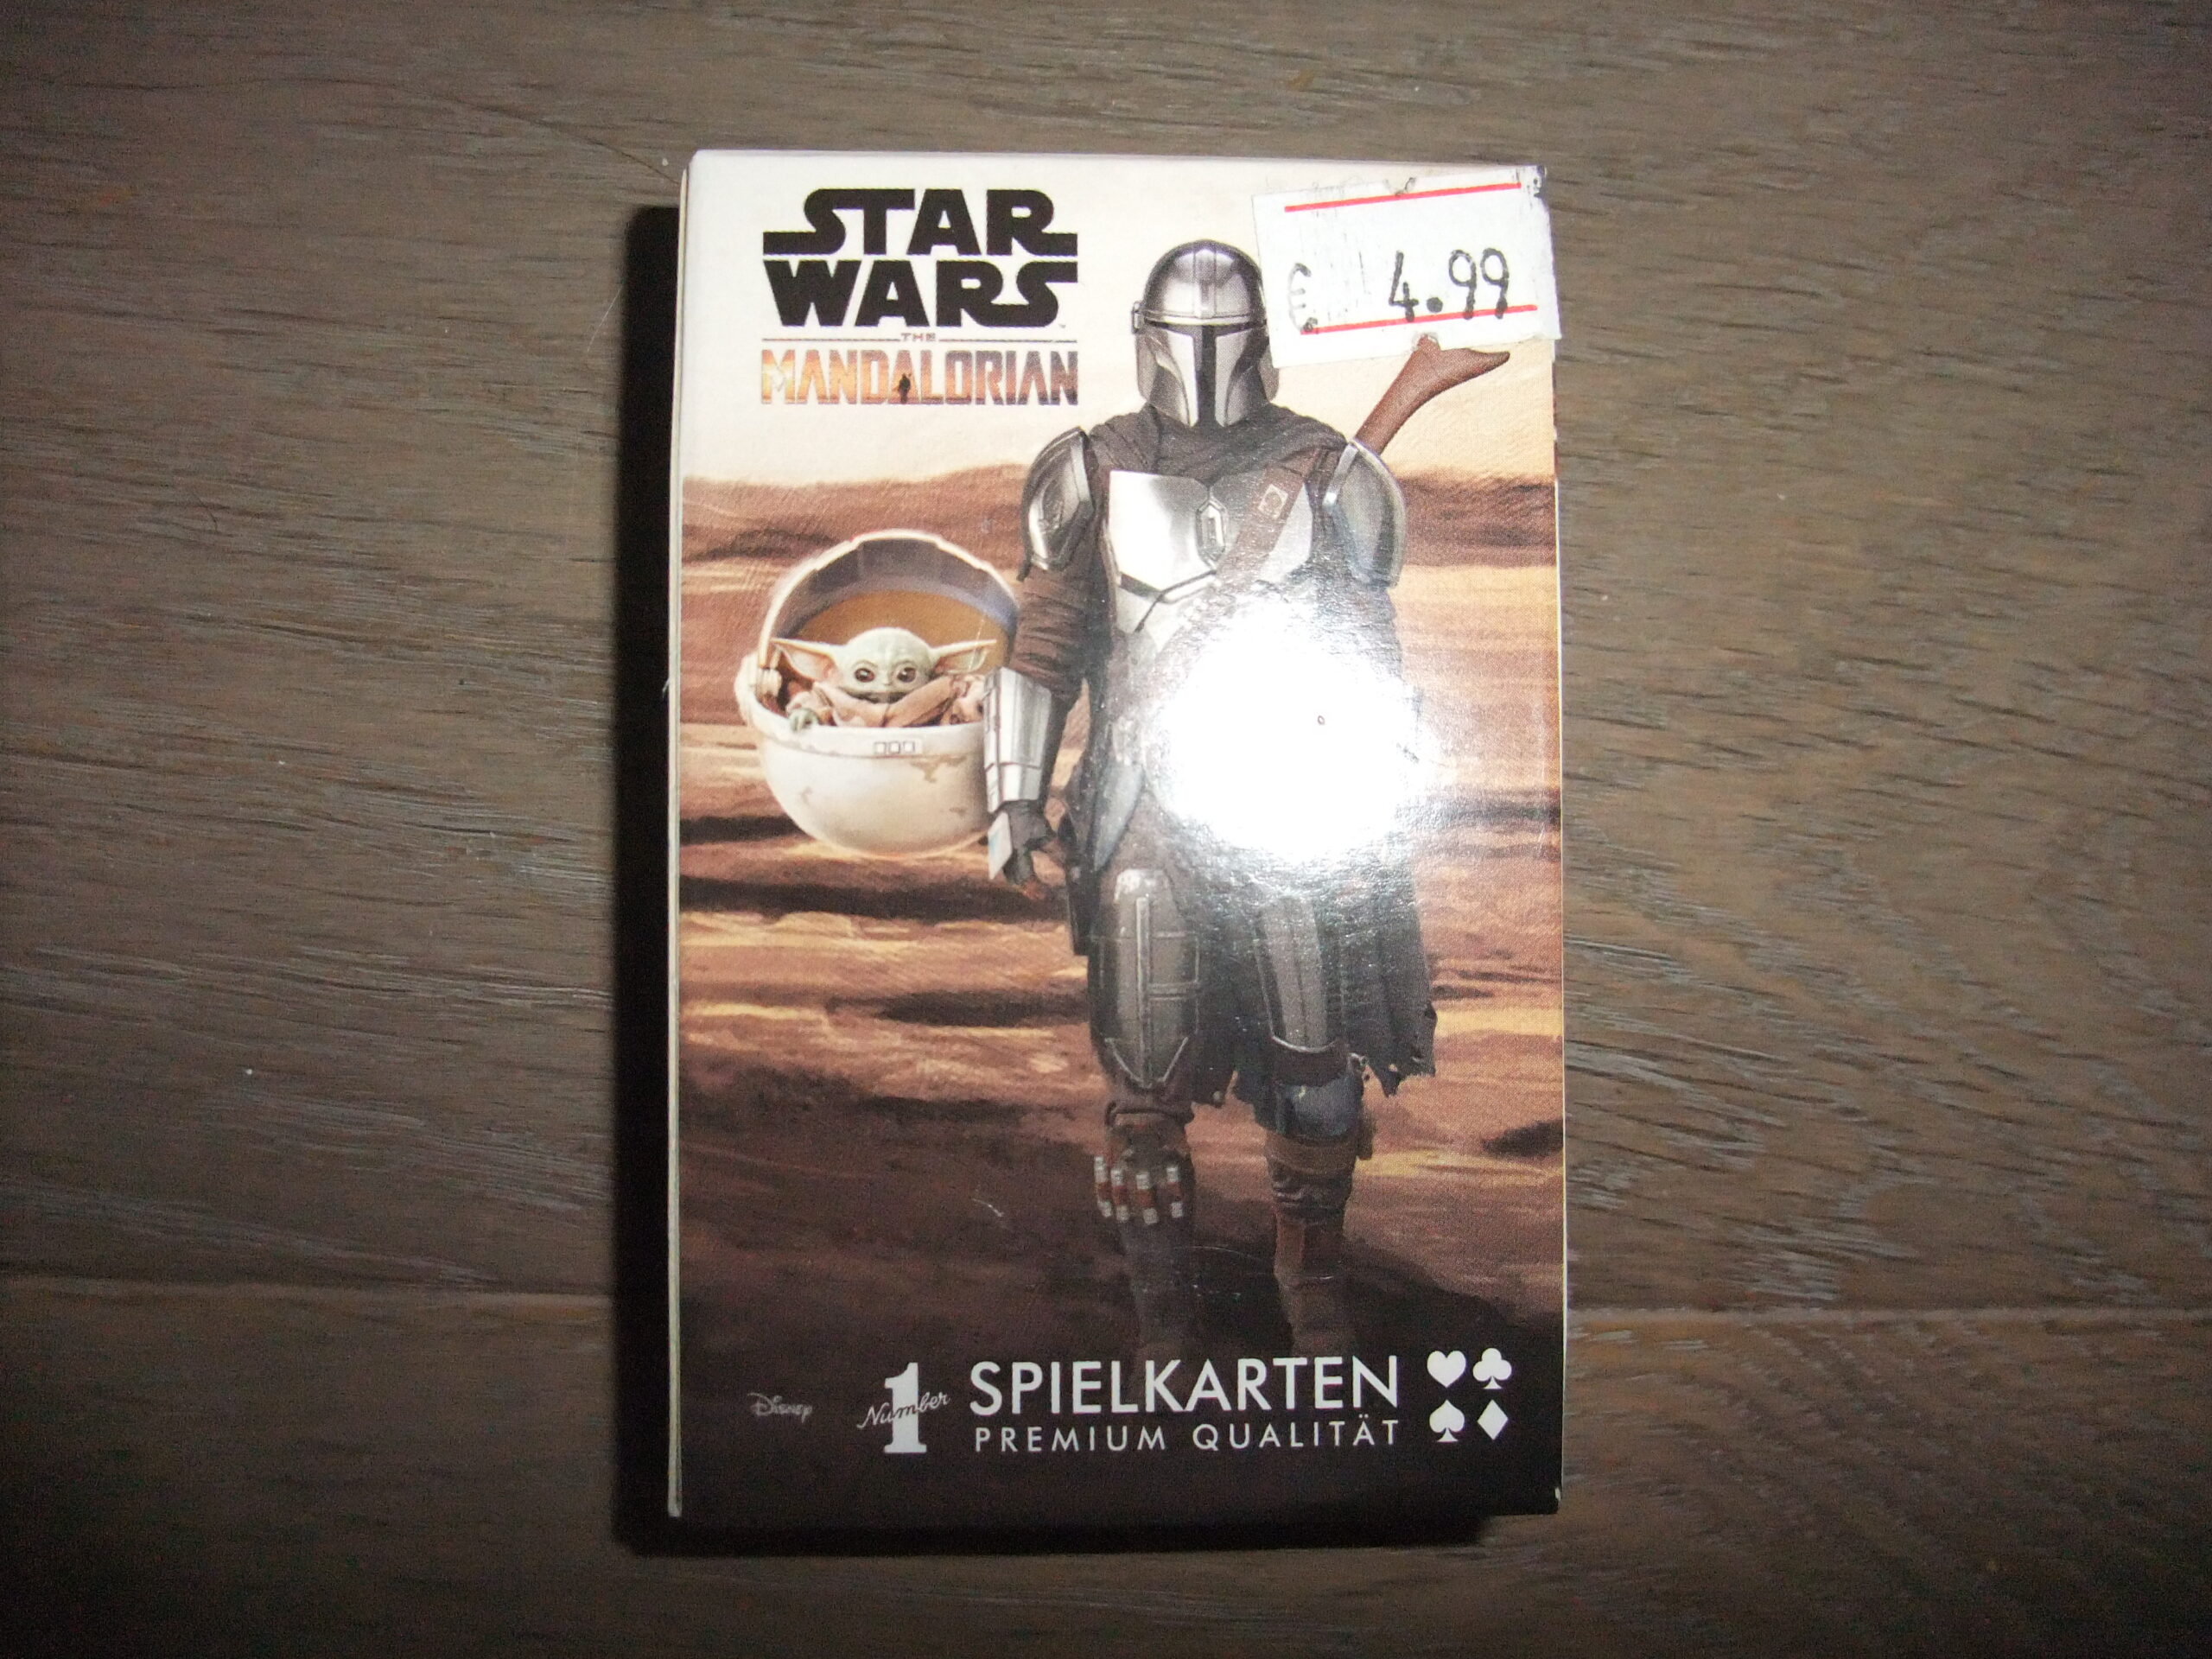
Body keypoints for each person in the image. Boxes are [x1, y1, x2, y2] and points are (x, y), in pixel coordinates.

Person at [982, 240, 1435, 1357]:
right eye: (1187, 335)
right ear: (1146, 340)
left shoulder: (1323, 468)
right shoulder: (1093, 466)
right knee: (1143, 1087)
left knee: (1316, 1066)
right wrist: (1013, 797)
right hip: (1142, 811)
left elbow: (1368, 656)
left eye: (1221, 336)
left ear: (1261, 342)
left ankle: (1311, 1284)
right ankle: (1165, 1324)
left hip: (1288, 803)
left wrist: (1384, 789)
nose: (1202, 358)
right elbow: (1044, 651)